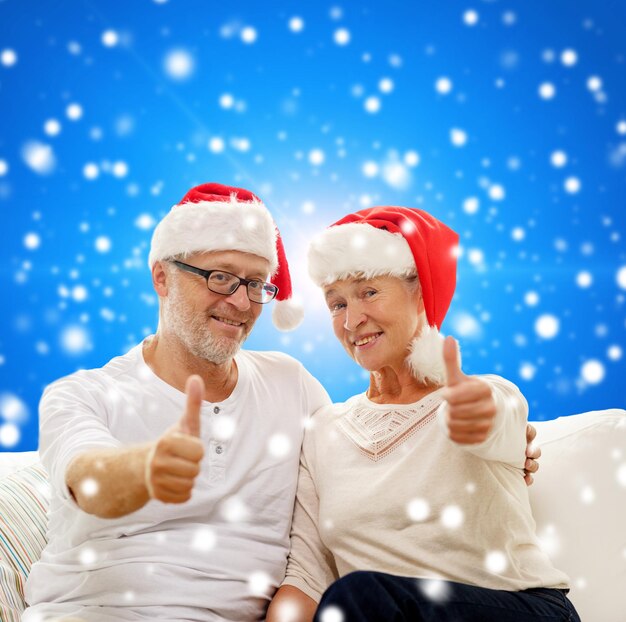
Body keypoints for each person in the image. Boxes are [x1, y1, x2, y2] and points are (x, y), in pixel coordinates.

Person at [24, 185, 539, 622]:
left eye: (254, 284)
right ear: (161, 277)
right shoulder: (81, 394)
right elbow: (86, 476)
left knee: (353, 600)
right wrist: (144, 470)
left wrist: (499, 431)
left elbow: (485, 420)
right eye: (220, 277)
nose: (242, 302)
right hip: (93, 611)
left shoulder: (291, 387)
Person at [267, 206, 579, 622]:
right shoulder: (324, 431)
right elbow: (307, 576)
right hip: (374, 611)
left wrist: (473, 413)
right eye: (336, 304)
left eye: (369, 292)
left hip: (519, 610)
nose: (352, 320)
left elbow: (496, 419)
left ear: (420, 293)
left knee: (361, 595)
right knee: (355, 599)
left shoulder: (484, 393)